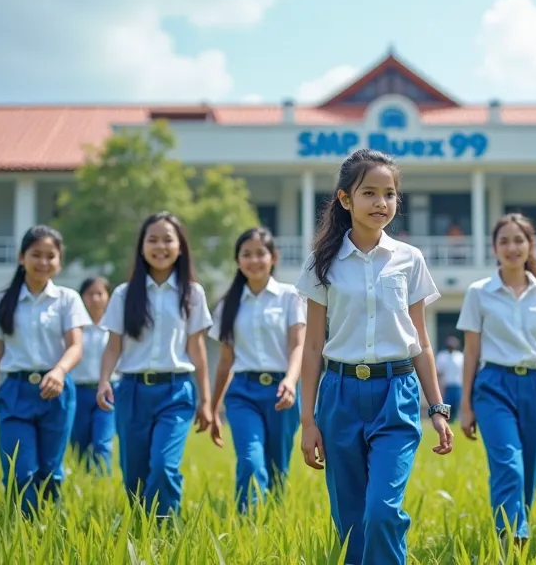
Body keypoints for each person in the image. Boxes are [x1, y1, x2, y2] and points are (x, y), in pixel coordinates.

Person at [295, 148, 453, 565]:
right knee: (350, 521)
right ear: (346, 199)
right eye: (370, 193)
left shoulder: (409, 259)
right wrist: (307, 420)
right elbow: (312, 348)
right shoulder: (321, 263)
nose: (381, 203)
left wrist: (436, 406)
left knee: (382, 512)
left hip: (396, 394)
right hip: (340, 395)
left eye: (389, 194)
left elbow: (420, 341)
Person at [457, 213, 536, 547]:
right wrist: (465, 404)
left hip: (535, 387)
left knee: (529, 470)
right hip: (493, 386)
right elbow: (471, 351)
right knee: (509, 464)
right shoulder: (479, 292)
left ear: (530, 245)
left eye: (519, 240)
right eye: (504, 241)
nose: (512, 247)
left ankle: (518, 531)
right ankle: (512, 537)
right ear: (494, 248)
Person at [96, 211, 214, 520]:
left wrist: (207, 400)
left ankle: (165, 530)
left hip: (176, 392)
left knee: (164, 466)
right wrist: (104, 381)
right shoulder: (124, 294)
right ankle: (140, 531)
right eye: (153, 240)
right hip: (131, 391)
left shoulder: (193, 293)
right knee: (134, 475)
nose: (160, 247)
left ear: (180, 247)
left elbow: (197, 348)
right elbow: (113, 346)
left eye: (168, 240)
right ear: (141, 246)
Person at [0, 225, 90, 517]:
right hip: (15, 393)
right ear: (21, 257)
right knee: (19, 471)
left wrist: (60, 371)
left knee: (50, 471)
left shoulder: (68, 299)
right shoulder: (2, 302)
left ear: (59, 261)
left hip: (57, 392)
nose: (43, 262)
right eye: (36, 254)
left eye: (50, 256)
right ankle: (21, 528)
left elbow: (76, 346)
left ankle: (47, 528)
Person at [207, 227, 306, 513]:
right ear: (237, 260)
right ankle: (247, 521)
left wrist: (290, 380)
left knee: (278, 468)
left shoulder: (290, 297)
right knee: (250, 461)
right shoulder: (228, 305)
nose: (254, 260)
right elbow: (225, 361)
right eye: (246, 254)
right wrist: (213, 409)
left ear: (273, 257)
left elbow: (298, 347)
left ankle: (271, 521)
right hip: (242, 393)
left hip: (281, 393)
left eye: (260, 253)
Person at [70, 276, 117, 475]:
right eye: (90, 294)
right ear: (82, 297)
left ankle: (101, 483)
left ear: (108, 297)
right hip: (78, 391)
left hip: (108, 391)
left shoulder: (115, 329)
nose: (95, 298)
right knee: (79, 443)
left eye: (100, 293)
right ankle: (84, 482)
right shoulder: (74, 328)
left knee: (102, 443)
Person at [434, 336, 464, 423]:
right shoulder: (442, 356)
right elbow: (438, 371)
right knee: (446, 403)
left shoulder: (460, 356)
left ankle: (454, 420)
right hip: (446, 384)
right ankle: (444, 421)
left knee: (456, 404)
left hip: (458, 384)